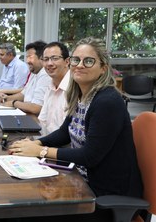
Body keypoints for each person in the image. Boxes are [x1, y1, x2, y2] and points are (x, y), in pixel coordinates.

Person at [9, 37, 143, 201]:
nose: (79, 65)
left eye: (88, 61)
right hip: (80, 178)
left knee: (24, 208)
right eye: (76, 60)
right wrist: (36, 143)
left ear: (103, 68)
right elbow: (64, 132)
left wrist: (41, 151)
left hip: (105, 194)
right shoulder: (81, 94)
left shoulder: (107, 102)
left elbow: (89, 156)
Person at [0, 41, 51, 116]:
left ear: (41, 58)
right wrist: (7, 98)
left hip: (36, 120)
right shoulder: (34, 72)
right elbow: (24, 94)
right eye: (27, 57)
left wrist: (14, 103)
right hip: (27, 114)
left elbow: (36, 108)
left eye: (30, 57)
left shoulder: (45, 75)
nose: (27, 61)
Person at [37, 41, 71, 135]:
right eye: (46, 59)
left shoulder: (75, 88)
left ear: (67, 61)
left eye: (55, 58)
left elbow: (68, 133)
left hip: (65, 147)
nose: (49, 63)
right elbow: (42, 121)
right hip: (47, 142)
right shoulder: (50, 85)